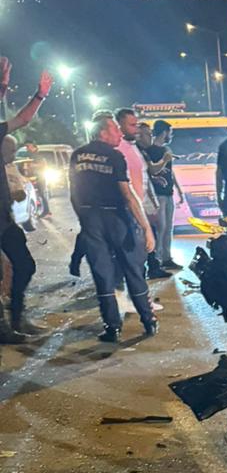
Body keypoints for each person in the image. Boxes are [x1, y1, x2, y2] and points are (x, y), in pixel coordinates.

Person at [69, 112, 157, 342]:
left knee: (102, 274)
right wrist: (145, 227)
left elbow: (73, 193)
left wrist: (84, 219)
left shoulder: (77, 155)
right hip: (116, 218)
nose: (119, 133)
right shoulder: (114, 156)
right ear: (103, 133)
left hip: (90, 218)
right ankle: (148, 320)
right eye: (115, 129)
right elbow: (127, 194)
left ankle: (112, 327)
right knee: (132, 268)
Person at [0, 58, 52, 343]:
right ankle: (4, 330)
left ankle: (18, 317)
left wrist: (39, 95)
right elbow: (20, 120)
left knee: (25, 264)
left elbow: (21, 120)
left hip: (4, 220)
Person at [144, 119, 185, 276]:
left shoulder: (167, 149)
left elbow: (170, 171)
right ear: (163, 132)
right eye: (170, 132)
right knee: (160, 228)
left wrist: (179, 190)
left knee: (168, 227)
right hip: (157, 195)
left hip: (168, 194)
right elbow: (152, 171)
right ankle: (157, 260)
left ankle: (167, 258)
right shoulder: (150, 151)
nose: (171, 136)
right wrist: (165, 159)